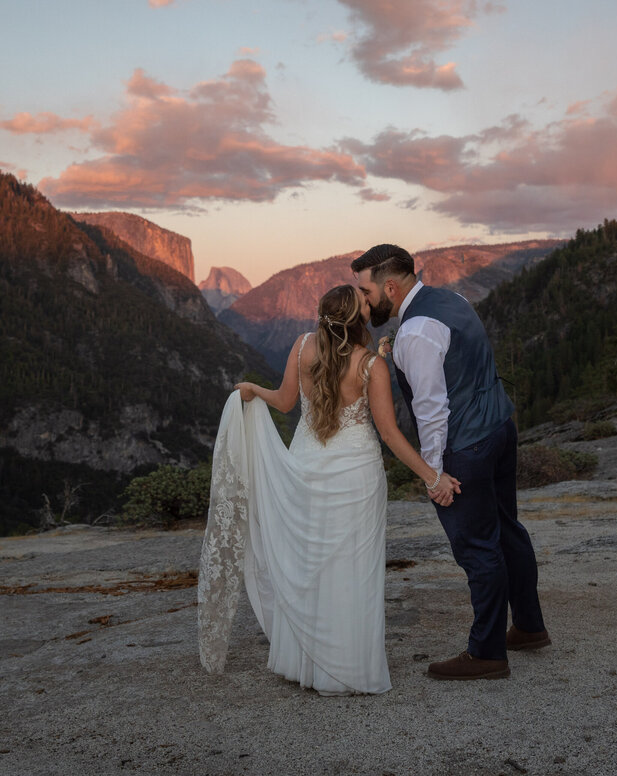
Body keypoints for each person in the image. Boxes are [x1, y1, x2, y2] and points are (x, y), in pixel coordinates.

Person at [197, 284, 460, 696]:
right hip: (354, 474)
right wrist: (433, 476)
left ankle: (301, 663)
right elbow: (390, 434)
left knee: (310, 564)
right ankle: (348, 668)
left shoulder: (303, 347)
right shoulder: (370, 366)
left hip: (306, 463)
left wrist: (251, 390)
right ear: (357, 320)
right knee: (351, 568)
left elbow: (284, 402)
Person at [351, 244, 549, 681]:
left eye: (365, 291)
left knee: (478, 549)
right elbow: (465, 361)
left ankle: (487, 653)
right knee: (508, 531)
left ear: (389, 286)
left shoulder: (416, 331)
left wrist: (434, 474)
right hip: (499, 428)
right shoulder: (451, 300)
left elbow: (432, 410)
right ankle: (530, 627)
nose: (363, 301)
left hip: (467, 448)